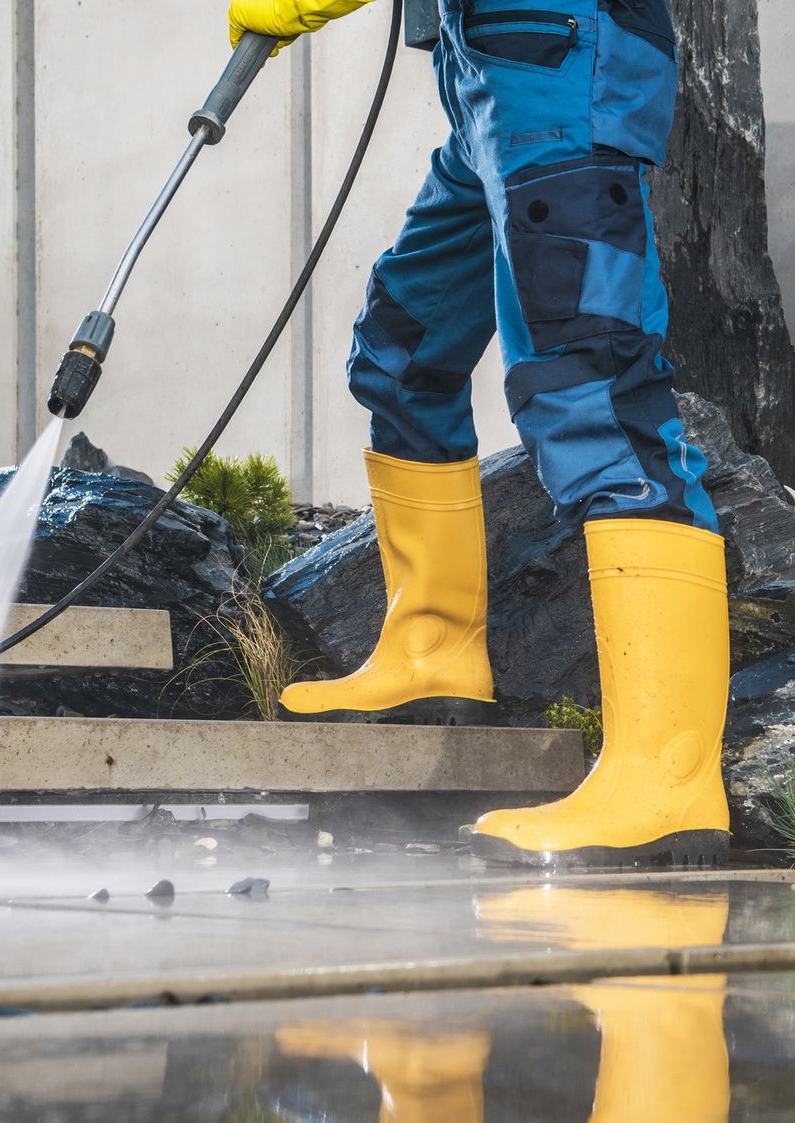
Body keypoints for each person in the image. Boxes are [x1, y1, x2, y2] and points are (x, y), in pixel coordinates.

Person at [227, 0, 729, 868]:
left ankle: (666, 779)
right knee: (402, 351)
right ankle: (431, 651)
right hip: (487, 81)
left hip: (561, 67)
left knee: (595, 396)